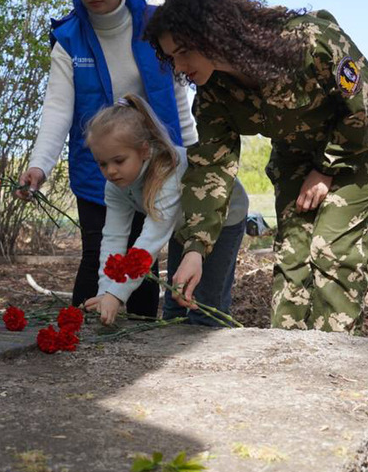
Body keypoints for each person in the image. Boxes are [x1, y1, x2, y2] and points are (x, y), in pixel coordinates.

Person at [143, 0, 368, 334]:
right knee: (293, 255)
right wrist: (195, 248)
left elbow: (360, 109)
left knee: (332, 250)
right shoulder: (213, 91)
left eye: (185, 52)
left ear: (214, 35)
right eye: (172, 58)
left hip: (360, 143)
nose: (181, 66)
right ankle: (285, 357)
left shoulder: (308, 40)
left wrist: (325, 169)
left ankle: (332, 362)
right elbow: (212, 168)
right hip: (296, 150)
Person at [17, 0, 198, 317]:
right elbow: (57, 108)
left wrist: (195, 155)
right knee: (100, 251)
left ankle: (140, 341)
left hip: (156, 164)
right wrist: (39, 165)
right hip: (100, 167)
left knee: (144, 260)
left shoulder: (154, 25)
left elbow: (177, 95)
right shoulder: (69, 39)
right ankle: (82, 331)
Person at [82, 95, 247, 326]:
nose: (110, 171)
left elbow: (150, 241)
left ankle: (212, 353)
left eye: (119, 160)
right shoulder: (115, 187)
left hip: (221, 218)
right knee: (175, 301)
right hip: (181, 224)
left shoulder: (167, 173)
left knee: (204, 302)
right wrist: (105, 292)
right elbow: (113, 238)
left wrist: (117, 295)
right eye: (103, 163)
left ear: (145, 150)